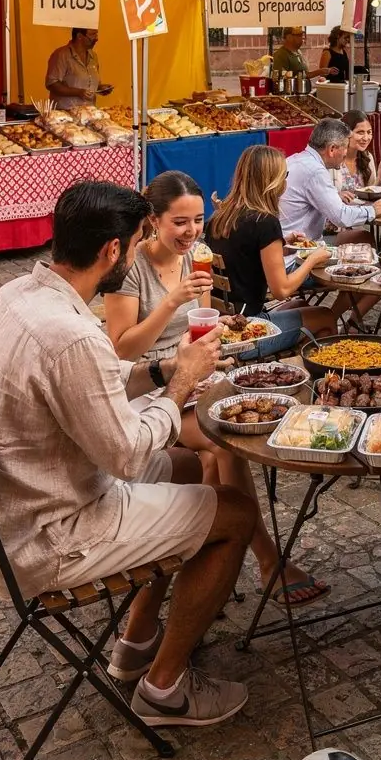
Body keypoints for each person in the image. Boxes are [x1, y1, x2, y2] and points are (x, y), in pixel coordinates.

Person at [0, 180, 256, 728]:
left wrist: (161, 370)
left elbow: (94, 382)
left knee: (188, 469)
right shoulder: (74, 336)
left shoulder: (15, 296)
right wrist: (180, 386)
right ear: (113, 250)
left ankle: (135, 641)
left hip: (19, 502)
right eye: (136, 242)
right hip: (49, 532)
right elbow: (128, 456)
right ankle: (166, 689)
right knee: (234, 512)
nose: (138, 252)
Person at [105, 171, 329, 604]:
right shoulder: (131, 268)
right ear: (153, 220)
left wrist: (221, 333)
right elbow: (119, 349)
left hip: (195, 375)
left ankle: (208, 559)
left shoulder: (195, 258)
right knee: (222, 445)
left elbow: (200, 331)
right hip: (147, 386)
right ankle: (265, 560)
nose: (191, 232)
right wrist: (172, 302)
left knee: (267, 408)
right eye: (180, 222)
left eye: (198, 220)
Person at [206, 145, 336, 346]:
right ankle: (309, 373)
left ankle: (285, 366)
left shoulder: (219, 217)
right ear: (273, 182)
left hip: (222, 321)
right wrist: (312, 260)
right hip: (247, 330)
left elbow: (244, 254)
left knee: (301, 304)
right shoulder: (264, 222)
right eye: (285, 175)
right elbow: (281, 291)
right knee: (325, 317)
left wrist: (283, 244)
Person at [278, 117, 381, 240]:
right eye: (345, 147)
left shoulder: (295, 159)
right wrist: (373, 210)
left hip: (283, 241)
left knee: (363, 237)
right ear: (332, 149)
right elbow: (342, 217)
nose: (346, 153)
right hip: (296, 249)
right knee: (364, 242)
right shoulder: (315, 171)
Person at [45, 28, 113, 109]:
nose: (96, 39)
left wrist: (100, 88)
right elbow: (52, 84)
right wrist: (78, 92)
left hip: (89, 113)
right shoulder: (61, 55)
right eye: (92, 35)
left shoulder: (93, 56)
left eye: (96, 34)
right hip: (65, 114)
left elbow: (88, 83)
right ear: (79, 36)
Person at [335, 110, 381, 194]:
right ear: (345, 133)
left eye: (369, 132)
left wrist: (380, 177)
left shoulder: (368, 157)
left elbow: (369, 193)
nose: (366, 138)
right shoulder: (333, 160)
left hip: (365, 207)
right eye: (360, 132)